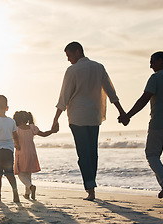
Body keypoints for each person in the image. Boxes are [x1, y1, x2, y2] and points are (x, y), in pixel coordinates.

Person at [52, 41, 127, 201]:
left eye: (69, 55)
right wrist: (122, 112)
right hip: (94, 116)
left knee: (83, 154)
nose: (68, 59)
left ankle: (90, 188)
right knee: (93, 153)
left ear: (78, 52)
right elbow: (110, 91)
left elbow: (64, 96)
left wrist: (55, 119)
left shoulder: (72, 70)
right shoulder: (99, 67)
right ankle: (91, 187)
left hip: (77, 117)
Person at [118, 51, 163, 201]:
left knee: (151, 154)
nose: (150, 65)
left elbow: (144, 99)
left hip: (159, 124)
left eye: (153, 62)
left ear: (161, 61)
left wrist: (128, 116)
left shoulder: (156, 78)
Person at [13, 111, 58, 200]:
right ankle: (27, 194)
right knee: (28, 173)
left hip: (21, 153)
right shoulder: (32, 127)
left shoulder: (16, 129)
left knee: (21, 174)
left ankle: (30, 187)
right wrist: (52, 131)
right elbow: (44, 134)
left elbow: (14, 140)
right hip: (32, 153)